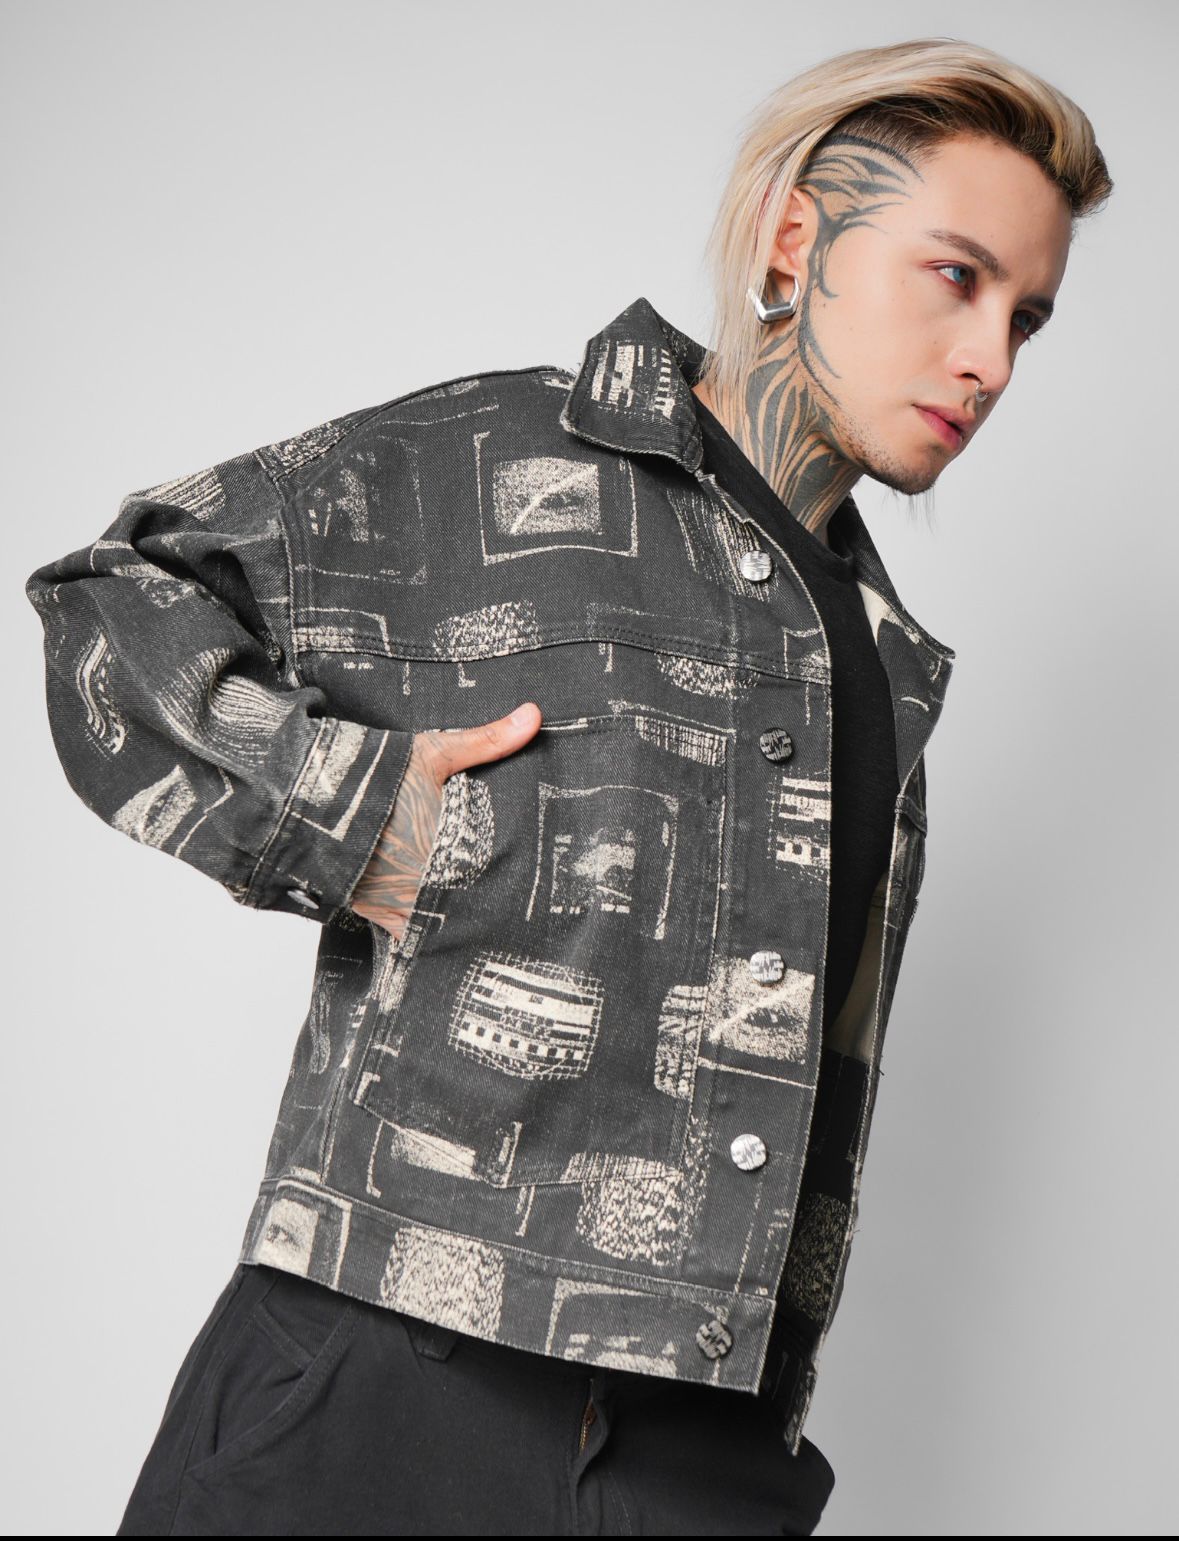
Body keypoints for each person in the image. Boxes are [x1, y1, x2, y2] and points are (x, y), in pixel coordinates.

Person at [25, 36, 1111, 1538]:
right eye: (955, 277)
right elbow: (112, 601)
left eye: (1026, 317)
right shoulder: (503, 463)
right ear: (794, 242)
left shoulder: (874, 660)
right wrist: (351, 814)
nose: (990, 359)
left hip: (699, 1453)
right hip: (384, 1389)